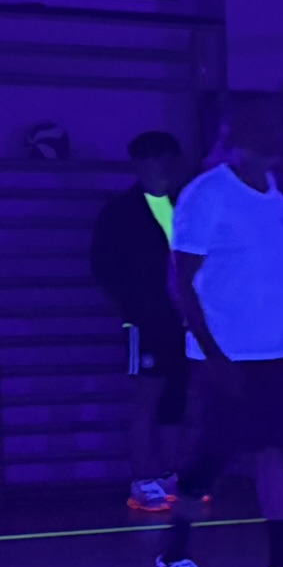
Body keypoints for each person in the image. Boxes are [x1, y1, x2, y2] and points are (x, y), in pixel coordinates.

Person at [155, 94, 283, 567]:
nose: (273, 133)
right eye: (261, 124)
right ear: (234, 134)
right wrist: (213, 354)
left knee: (279, 454)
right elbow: (180, 282)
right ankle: (174, 555)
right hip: (225, 357)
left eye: (277, 124)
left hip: (280, 355)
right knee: (208, 458)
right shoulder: (206, 194)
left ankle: (282, 564)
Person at [90, 131, 189, 511]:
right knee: (147, 395)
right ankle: (142, 479)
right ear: (140, 163)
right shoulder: (120, 213)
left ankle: (169, 474)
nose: (161, 167)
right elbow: (103, 270)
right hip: (145, 320)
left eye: (166, 159)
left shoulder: (186, 206)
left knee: (176, 396)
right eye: (152, 159)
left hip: (184, 319)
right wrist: (131, 313)